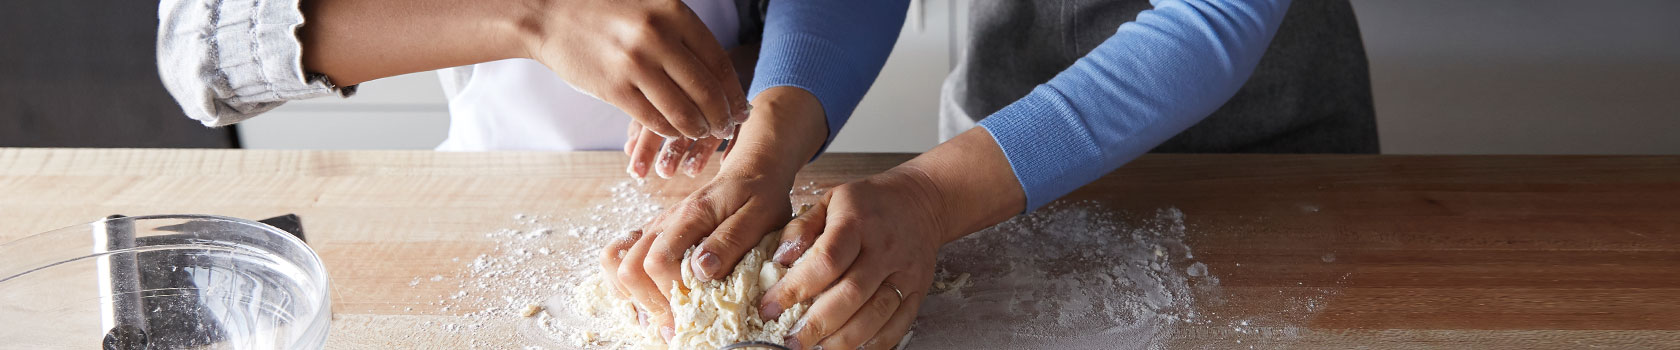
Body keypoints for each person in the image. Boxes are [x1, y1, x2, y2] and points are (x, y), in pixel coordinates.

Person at [602, 0, 1378, 349]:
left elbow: (1216, 15)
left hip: (1263, 171)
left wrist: (928, 195)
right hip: (995, 167)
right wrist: (763, 153)